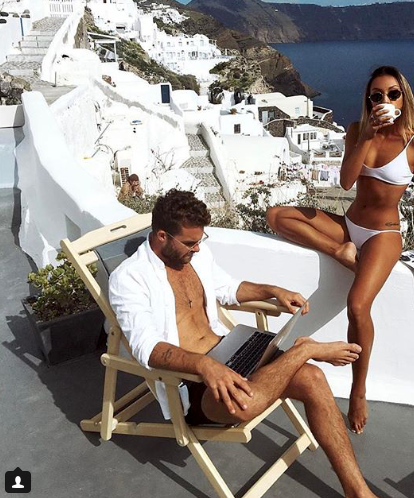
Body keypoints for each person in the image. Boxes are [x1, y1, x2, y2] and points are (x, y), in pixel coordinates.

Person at [266, 65, 414, 435]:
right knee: (277, 215)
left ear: (404, 98)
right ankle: (339, 251)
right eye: (376, 95)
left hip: (382, 235)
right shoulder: (357, 131)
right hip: (348, 224)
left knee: (357, 306)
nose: (384, 100)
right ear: (368, 100)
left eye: (392, 94)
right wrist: (368, 136)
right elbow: (345, 180)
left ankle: (358, 389)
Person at [109, 189, 378, 498]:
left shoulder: (195, 255)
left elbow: (227, 289)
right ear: (161, 236)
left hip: (231, 348)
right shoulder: (129, 278)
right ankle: (304, 349)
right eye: (189, 243)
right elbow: (147, 349)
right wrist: (205, 365)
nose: (197, 249)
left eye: (200, 241)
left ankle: (359, 493)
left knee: (313, 379)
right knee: (245, 405)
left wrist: (272, 290)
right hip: (193, 381)